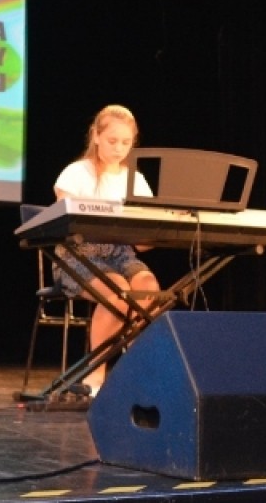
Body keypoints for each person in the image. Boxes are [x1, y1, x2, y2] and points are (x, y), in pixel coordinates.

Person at [52, 104, 161, 396]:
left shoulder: (136, 180)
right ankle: (95, 378)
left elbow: (142, 245)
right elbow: (64, 223)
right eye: (112, 141)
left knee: (148, 289)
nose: (119, 149)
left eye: (126, 142)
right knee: (118, 292)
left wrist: (159, 228)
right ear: (96, 136)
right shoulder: (76, 173)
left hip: (121, 254)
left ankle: (132, 373)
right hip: (79, 254)